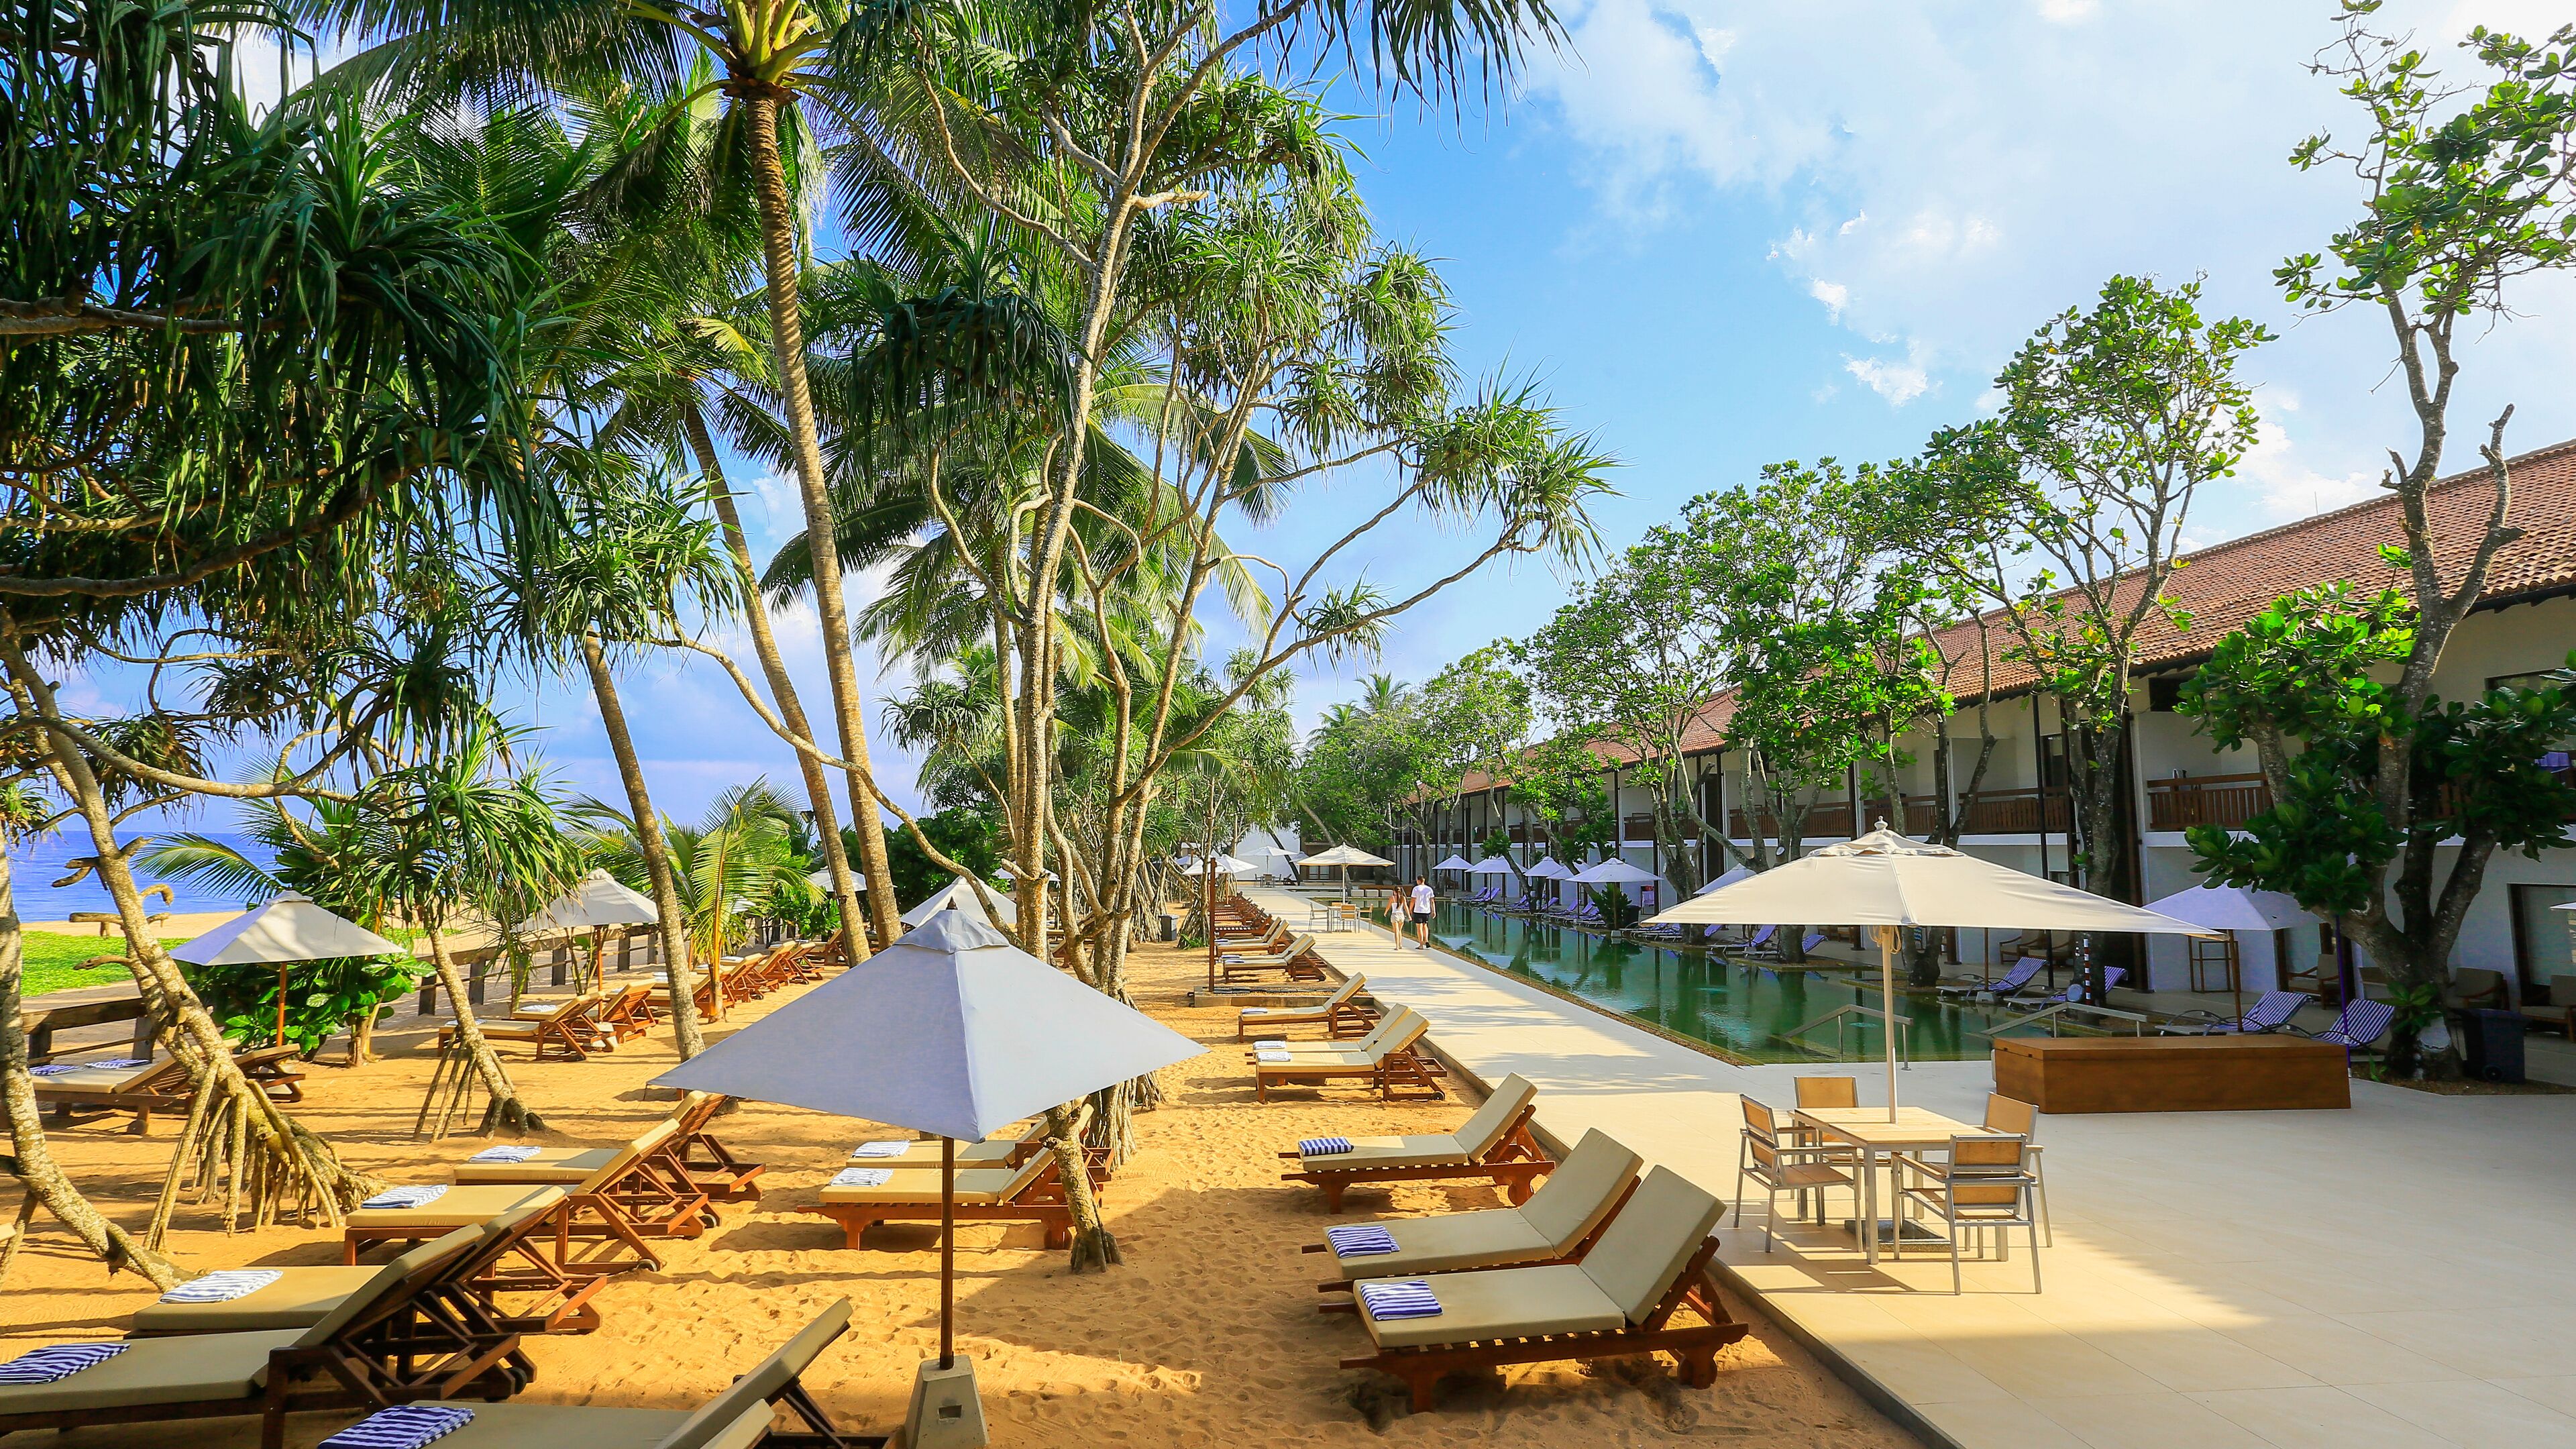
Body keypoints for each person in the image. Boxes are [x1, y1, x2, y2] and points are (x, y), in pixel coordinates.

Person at [1409, 875, 1436, 948]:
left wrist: (1410, 909)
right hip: (1426, 911)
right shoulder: (1429, 889)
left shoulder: (1416, 889)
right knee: (1425, 926)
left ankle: (1421, 944)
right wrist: (1434, 911)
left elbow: (1413, 900)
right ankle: (1426, 940)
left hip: (1418, 910)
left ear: (1419, 881)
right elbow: (1432, 901)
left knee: (1419, 927)